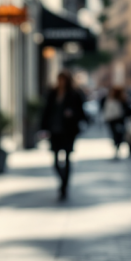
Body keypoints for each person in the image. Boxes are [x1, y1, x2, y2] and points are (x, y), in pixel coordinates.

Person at [41, 70, 87, 200]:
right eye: (59, 79)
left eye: (64, 80)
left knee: (67, 158)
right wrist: (43, 128)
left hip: (68, 131)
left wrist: (72, 114)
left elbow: (82, 113)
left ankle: (64, 186)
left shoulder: (75, 94)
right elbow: (46, 111)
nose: (61, 82)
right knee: (55, 160)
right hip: (54, 130)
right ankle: (62, 181)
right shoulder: (52, 93)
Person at [101, 86, 131, 158]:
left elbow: (129, 110)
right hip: (112, 120)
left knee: (118, 135)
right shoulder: (109, 99)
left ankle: (117, 148)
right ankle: (117, 148)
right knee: (116, 135)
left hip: (118, 120)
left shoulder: (121, 100)